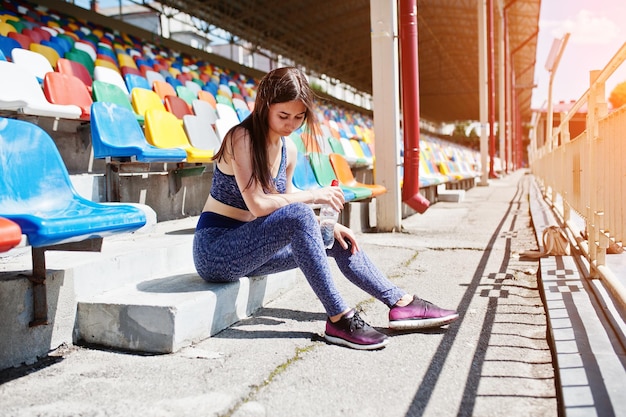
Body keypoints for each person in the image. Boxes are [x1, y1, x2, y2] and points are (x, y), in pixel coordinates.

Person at [193, 67, 458, 350]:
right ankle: (339, 318)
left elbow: (287, 196)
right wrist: (315, 197)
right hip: (218, 251)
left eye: (299, 117)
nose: (291, 124)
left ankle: (400, 302)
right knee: (301, 214)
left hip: (255, 248)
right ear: (264, 106)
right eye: (283, 116)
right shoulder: (242, 138)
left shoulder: (287, 148)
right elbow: (259, 205)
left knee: (336, 239)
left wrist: (327, 227)